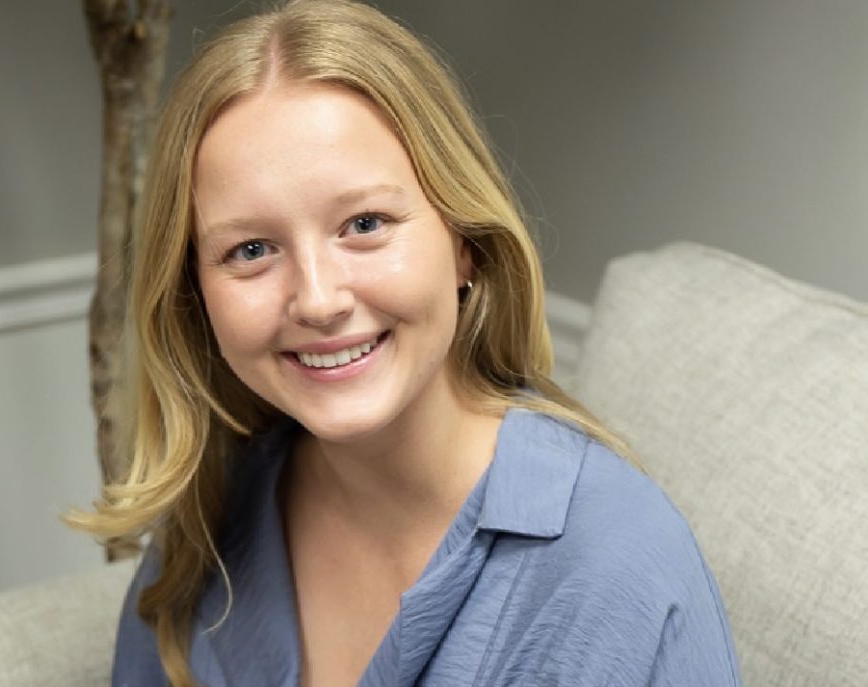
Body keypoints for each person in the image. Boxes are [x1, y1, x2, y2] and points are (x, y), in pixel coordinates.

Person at [67, 1, 742, 685]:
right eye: (251, 249)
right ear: (195, 293)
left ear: (464, 244)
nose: (318, 300)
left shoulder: (616, 566)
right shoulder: (213, 511)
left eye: (365, 223)